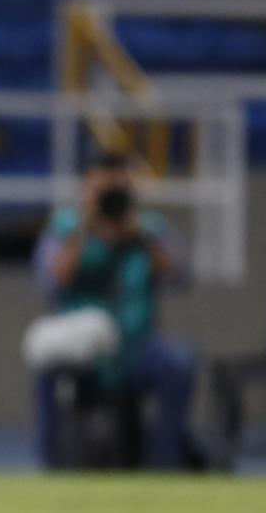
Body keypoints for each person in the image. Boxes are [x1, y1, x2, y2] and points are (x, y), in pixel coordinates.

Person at [32, 152, 198, 469]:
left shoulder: (148, 227)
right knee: (47, 361)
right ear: (86, 189)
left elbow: (180, 277)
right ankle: (50, 462)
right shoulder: (64, 227)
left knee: (180, 361)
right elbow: (50, 283)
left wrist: (141, 235)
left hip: (138, 346)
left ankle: (163, 462)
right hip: (84, 348)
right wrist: (85, 227)